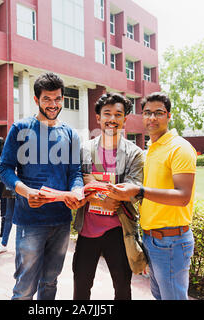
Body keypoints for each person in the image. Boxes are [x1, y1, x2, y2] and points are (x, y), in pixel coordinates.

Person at [0, 72, 85, 300]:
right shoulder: (20, 128)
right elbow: (5, 169)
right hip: (31, 220)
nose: (53, 104)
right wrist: (26, 192)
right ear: (36, 100)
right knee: (25, 286)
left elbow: (75, 172)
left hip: (61, 220)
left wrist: (77, 190)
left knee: (50, 282)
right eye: (47, 99)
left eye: (57, 99)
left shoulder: (70, 134)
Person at [108, 92, 197, 300]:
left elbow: (183, 195)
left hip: (171, 241)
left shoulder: (179, 148)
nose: (152, 118)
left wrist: (138, 191)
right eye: (147, 113)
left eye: (159, 113)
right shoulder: (151, 150)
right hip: (152, 240)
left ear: (169, 116)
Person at [73, 92, 144, 300]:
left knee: (122, 288)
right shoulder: (84, 150)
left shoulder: (134, 153)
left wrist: (92, 184)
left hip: (119, 231)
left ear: (125, 119)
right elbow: (76, 182)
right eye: (107, 114)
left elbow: (134, 189)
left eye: (118, 115)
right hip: (87, 231)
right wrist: (96, 196)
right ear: (98, 118)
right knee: (81, 286)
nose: (112, 119)